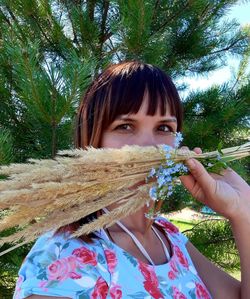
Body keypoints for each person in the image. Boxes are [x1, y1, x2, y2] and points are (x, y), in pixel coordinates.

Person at [13, 61, 250, 299]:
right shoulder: (64, 257)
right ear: (93, 142)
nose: (149, 146)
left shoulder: (170, 237)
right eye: (125, 126)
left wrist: (242, 212)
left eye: (164, 128)